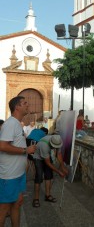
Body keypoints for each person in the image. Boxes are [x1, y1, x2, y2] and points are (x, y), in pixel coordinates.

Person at [0, 96, 36, 227]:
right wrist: (26, 150)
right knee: (3, 210)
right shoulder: (10, 124)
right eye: (24, 103)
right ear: (17, 107)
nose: (28, 104)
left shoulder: (17, 124)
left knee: (17, 204)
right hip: (9, 176)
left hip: (18, 175)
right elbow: (2, 146)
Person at [32, 134, 68, 207]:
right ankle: (36, 199)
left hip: (47, 156)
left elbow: (59, 154)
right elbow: (48, 163)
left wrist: (62, 166)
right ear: (51, 143)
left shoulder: (58, 141)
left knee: (48, 176)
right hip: (38, 157)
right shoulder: (44, 145)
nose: (56, 148)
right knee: (38, 177)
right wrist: (59, 172)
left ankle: (47, 196)